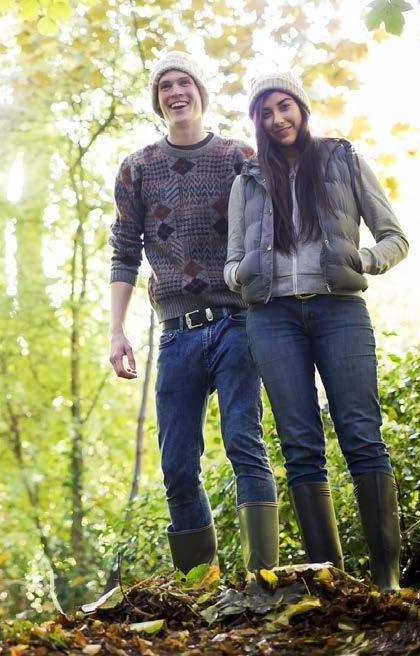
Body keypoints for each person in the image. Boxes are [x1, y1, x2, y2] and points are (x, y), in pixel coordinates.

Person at [224, 72, 409, 590]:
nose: (278, 119)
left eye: (286, 107)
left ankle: (386, 579)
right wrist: (239, 275)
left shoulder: (342, 159)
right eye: (266, 112)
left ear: (301, 109)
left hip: (339, 313)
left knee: (361, 434)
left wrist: (365, 259)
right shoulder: (248, 179)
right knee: (301, 444)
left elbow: (395, 236)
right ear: (256, 122)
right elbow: (231, 260)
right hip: (272, 318)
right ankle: (332, 581)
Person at [109, 51, 278, 575]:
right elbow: (123, 250)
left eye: (185, 83)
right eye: (165, 87)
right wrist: (117, 331)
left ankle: (262, 579)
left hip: (237, 323)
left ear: (201, 93)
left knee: (243, 442)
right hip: (176, 333)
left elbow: (269, 231)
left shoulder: (238, 156)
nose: (176, 92)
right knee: (177, 463)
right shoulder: (136, 168)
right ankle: (200, 586)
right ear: (158, 101)